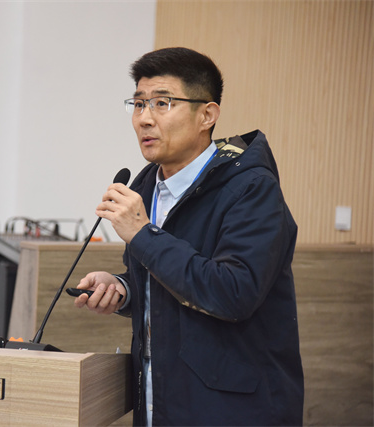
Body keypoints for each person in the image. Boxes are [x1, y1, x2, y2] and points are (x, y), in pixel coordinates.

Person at [71, 47, 304, 426]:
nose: (145, 118)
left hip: (232, 410)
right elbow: (170, 282)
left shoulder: (251, 189)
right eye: (138, 104)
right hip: (160, 402)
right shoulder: (147, 187)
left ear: (207, 115)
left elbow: (233, 293)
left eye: (162, 103)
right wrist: (123, 288)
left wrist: (143, 235)